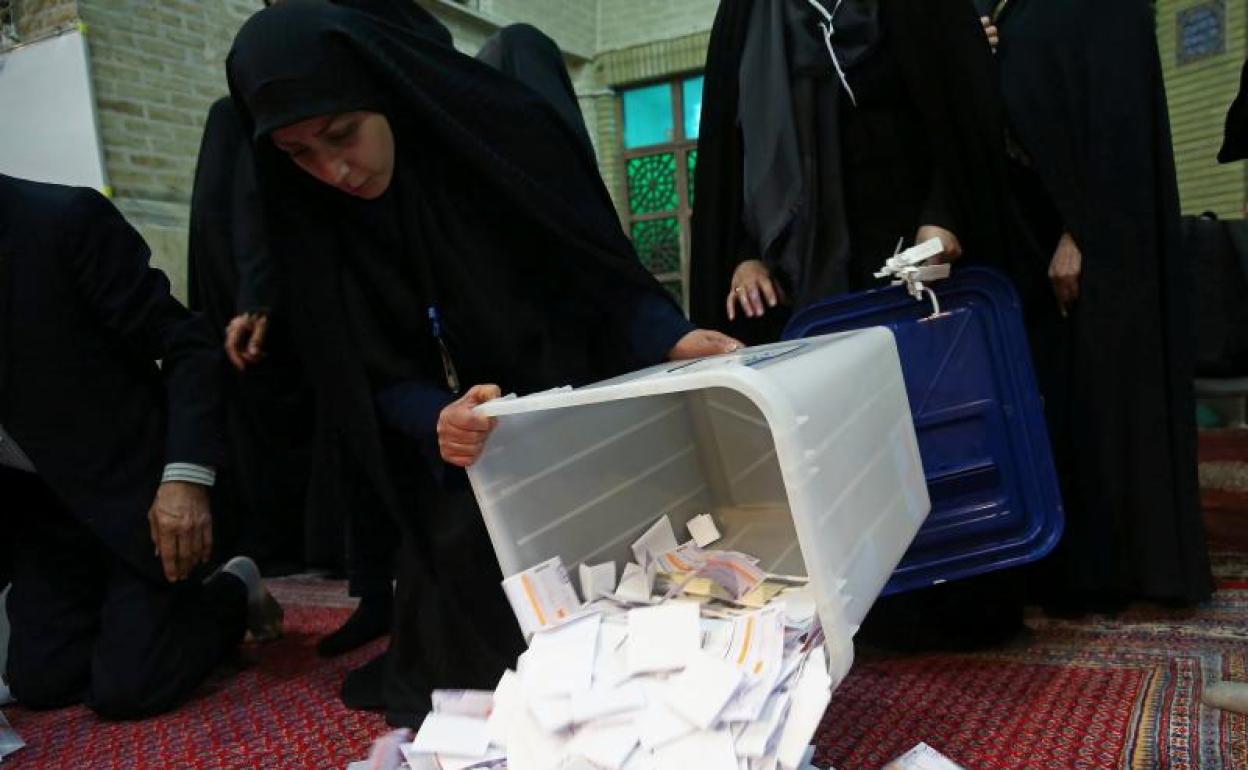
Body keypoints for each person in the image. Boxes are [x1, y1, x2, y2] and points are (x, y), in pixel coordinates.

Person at [226, 0, 741, 725]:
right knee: (471, 674)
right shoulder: (315, 221)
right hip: (460, 457)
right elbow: (355, 374)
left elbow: (592, 276)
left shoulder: (499, 145)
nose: (333, 169)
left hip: (569, 419)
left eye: (342, 135)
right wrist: (432, 416)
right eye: (298, 153)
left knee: (642, 628)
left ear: (384, 92)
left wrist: (671, 335)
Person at [0, 173, 281, 720]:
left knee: (128, 689)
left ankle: (231, 588)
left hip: (141, 496)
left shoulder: (60, 221)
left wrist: (185, 478)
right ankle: (124, 612)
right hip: (45, 513)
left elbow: (188, 344)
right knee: (41, 682)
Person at [988, 0, 1213, 609]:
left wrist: (1080, 233)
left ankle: (1119, 571)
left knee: (1113, 402)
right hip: (1038, 233)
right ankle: (1073, 565)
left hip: (1099, 240)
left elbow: (1115, 128)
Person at [689, 0, 1013, 345]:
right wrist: (747, 255)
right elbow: (734, 155)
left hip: (923, 261)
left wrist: (944, 216)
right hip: (805, 288)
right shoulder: (752, 13)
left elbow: (964, 109)